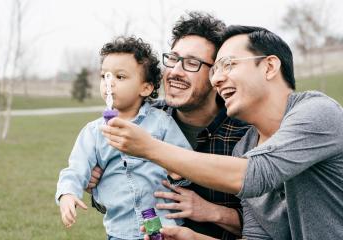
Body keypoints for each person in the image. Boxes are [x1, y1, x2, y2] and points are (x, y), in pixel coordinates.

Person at [102, 25, 343, 239]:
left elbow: (257, 174)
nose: (217, 79)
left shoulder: (318, 112)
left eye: (228, 65)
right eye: (215, 70)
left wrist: (150, 148)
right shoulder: (245, 148)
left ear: (269, 67)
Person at [88, 12, 249, 240]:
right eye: (172, 59)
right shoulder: (143, 118)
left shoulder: (244, 134)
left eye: (192, 63)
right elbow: (117, 202)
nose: (174, 72)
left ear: (217, 75)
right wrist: (96, 182)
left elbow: (271, 228)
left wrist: (212, 212)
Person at [55, 36, 192, 240]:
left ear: (145, 88)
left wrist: (177, 171)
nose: (109, 84)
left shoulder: (161, 123)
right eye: (104, 76)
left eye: (119, 77)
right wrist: (67, 193)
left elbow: (186, 160)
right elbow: (76, 169)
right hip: (120, 230)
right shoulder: (93, 132)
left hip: (163, 225)